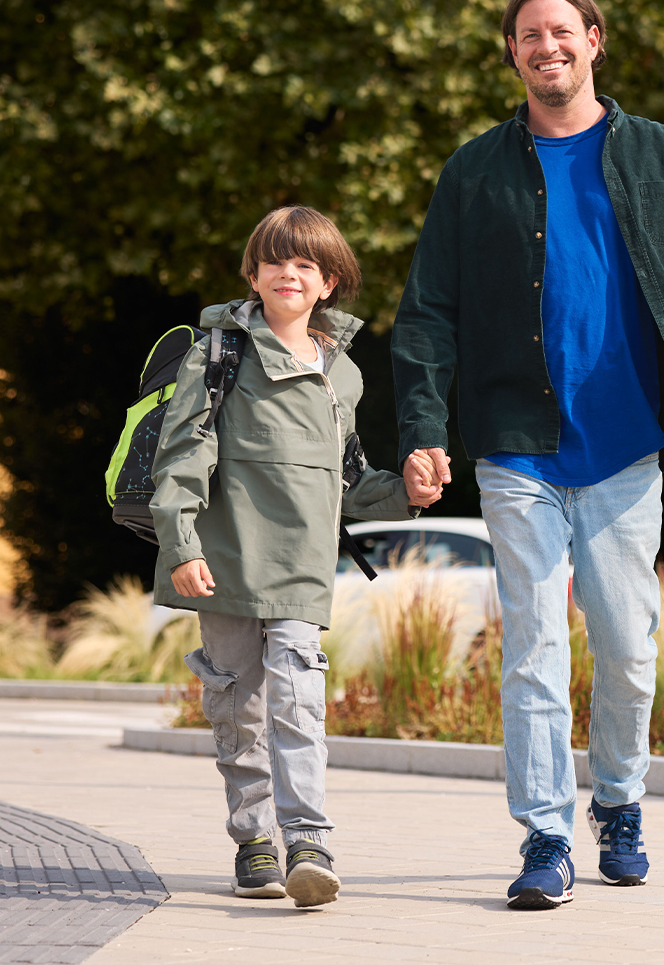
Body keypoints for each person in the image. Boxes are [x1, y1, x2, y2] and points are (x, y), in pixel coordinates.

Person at [391, 0, 664, 910]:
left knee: (628, 648)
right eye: (529, 35)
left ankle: (622, 802)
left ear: (595, 41)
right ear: (512, 53)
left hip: (625, 445)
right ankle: (547, 834)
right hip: (516, 443)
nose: (546, 46)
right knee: (532, 648)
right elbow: (427, 314)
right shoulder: (475, 171)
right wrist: (423, 430)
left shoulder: (660, 155)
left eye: (563, 31)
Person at [150, 206, 439, 908]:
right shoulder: (218, 354)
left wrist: (406, 490)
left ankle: (308, 839)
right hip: (223, 560)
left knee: (299, 697)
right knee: (237, 705)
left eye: (306, 263)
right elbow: (184, 456)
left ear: (329, 282)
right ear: (252, 275)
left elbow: (346, 481)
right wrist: (181, 545)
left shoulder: (342, 376)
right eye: (275, 261)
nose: (289, 272)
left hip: (303, 568)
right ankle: (255, 842)